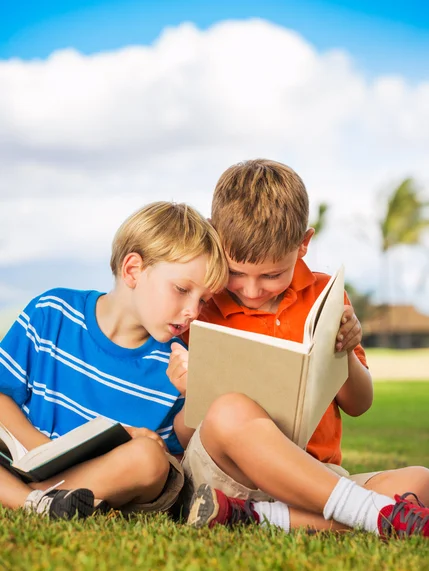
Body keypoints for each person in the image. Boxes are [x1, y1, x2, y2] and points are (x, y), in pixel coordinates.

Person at [167, 159, 429, 538]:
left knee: (420, 482)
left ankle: (257, 517)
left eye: (272, 275)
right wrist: (196, 394)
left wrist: (345, 351)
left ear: (303, 244)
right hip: (228, 474)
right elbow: (183, 436)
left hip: (315, 478)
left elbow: (359, 404)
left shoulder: (326, 297)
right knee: (229, 411)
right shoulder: (201, 307)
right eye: (236, 272)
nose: (252, 290)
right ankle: (362, 513)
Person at [0, 201, 228, 520]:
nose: (193, 310)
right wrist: (39, 448)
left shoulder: (176, 364)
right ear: (132, 270)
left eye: (202, 300)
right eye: (181, 289)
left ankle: (33, 500)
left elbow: (172, 455)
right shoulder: (53, 311)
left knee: (150, 459)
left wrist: (190, 397)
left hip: (100, 479)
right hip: (23, 457)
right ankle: (37, 500)